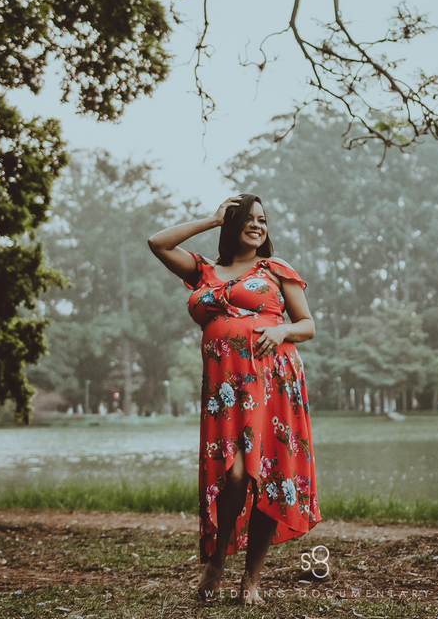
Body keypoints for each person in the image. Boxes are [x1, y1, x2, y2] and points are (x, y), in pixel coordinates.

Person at [148, 193, 320, 603]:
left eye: (263, 219)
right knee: (236, 475)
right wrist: (211, 219)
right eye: (248, 218)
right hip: (225, 392)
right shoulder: (205, 271)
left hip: (272, 385)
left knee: (266, 478)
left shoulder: (276, 270)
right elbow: (158, 243)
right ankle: (216, 565)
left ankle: (252, 580)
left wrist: (280, 331)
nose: (258, 225)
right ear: (232, 224)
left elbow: (308, 325)